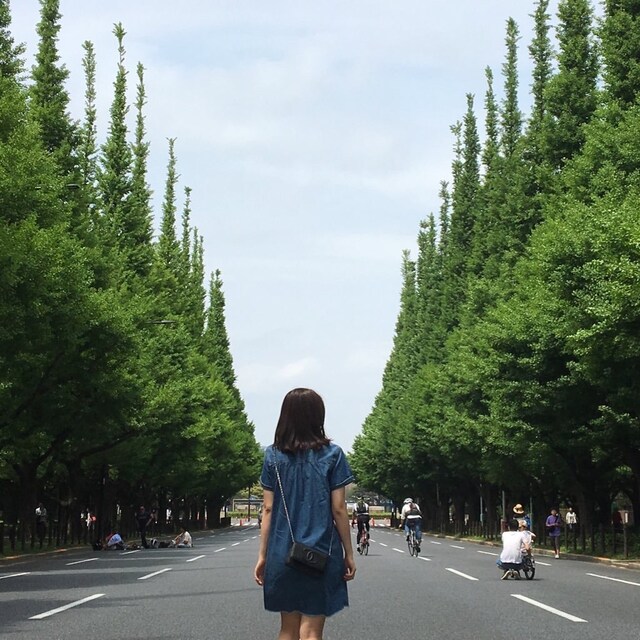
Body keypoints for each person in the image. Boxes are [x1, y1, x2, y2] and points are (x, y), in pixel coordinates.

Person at [254, 388, 356, 640]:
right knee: (311, 631)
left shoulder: (273, 456)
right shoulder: (333, 455)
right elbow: (339, 509)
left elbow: (268, 509)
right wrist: (349, 553)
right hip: (321, 552)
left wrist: (263, 556)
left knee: (287, 629)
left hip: (283, 552)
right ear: (318, 416)